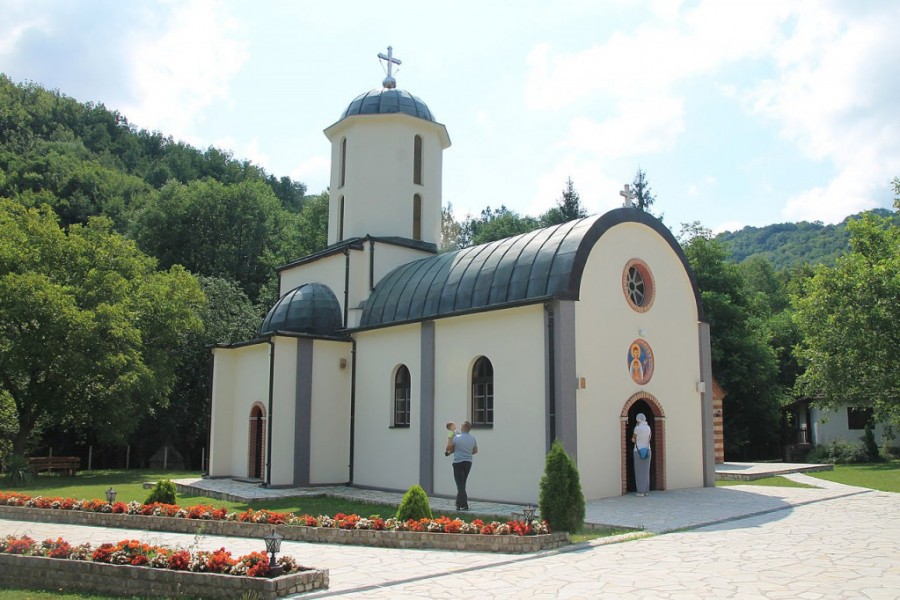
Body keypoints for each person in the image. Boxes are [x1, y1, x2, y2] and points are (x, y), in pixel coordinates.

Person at [447, 421, 477, 511]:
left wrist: (449, 438)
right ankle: (458, 503)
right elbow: (475, 451)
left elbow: (449, 447)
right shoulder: (473, 438)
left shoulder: (457, 437)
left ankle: (464, 504)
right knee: (462, 483)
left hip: (458, 462)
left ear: (463, 428)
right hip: (468, 462)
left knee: (460, 484)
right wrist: (466, 452)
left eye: (461, 426)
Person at [631, 413, 652, 497]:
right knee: (646, 471)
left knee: (639, 471)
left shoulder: (637, 428)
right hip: (648, 450)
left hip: (638, 451)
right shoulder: (648, 428)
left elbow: (633, 439)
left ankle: (640, 491)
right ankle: (646, 490)